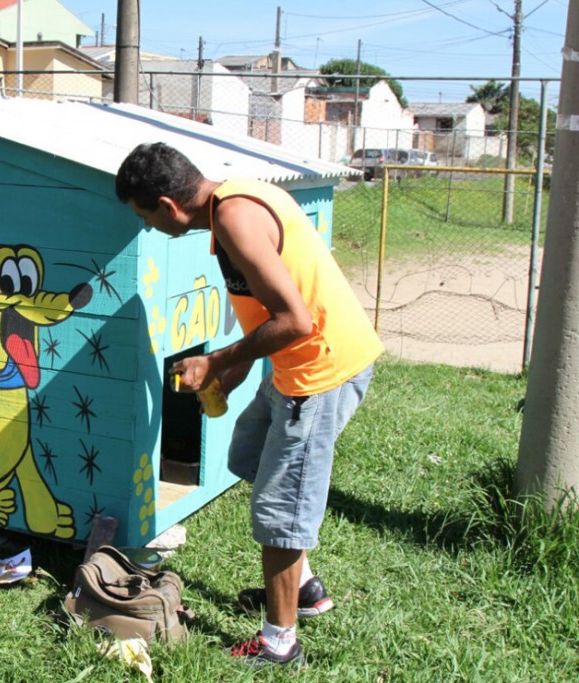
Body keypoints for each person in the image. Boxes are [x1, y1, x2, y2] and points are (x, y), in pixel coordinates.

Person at [115, 142, 383, 668]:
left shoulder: (235, 218)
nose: (148, 227)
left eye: (145, 216)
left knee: (280, 510)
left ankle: (280, 644)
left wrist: (216, 361)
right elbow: (272, 309)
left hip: (318, 372)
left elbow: (297, 320)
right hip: (296, 366)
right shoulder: (233, 202)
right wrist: (237, 370)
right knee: (250, 455)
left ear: (169, 207)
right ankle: (300, 587)